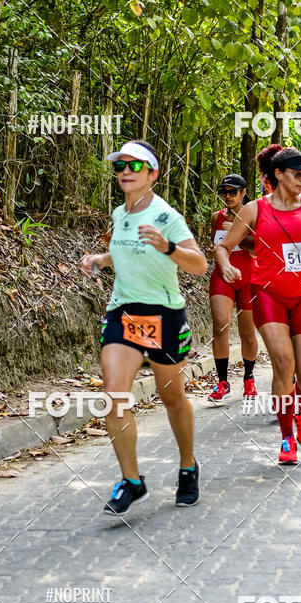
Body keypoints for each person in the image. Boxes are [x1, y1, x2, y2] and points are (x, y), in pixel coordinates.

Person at [81, 140, 207, 515]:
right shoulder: (120, 213)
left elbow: (199, 265)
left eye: (135, 166)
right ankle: (132, 481)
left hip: (164, 314)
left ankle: (188, 466)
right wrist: (101, 260)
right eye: (120, 165)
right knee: (114, 397)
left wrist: (169, 247)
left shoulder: (167, 216)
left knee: (172, 399)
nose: (125, 171)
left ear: (152, 174)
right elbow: (126, 251)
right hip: (124, 312)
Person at [215, 146, 301, 464]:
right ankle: (286, 441)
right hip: (268, 294)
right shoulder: (254, 210)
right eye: (298, 174)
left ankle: (298, 409)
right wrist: (226, 265)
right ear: (279, 175)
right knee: (284, 363)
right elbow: (224, 247)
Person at [206, 174, 258, 403]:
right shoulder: (215, 217)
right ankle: (222, 382)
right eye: (224, 192)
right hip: (222, 276)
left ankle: (249, 377)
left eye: (232, 192)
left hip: (248, 277)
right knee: (220, 326)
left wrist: (239, 231)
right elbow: (215, 245)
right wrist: (212, 249)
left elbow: (259, 249)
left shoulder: (254, 215)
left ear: (243, 192)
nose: (227, 196)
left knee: (247, 332)